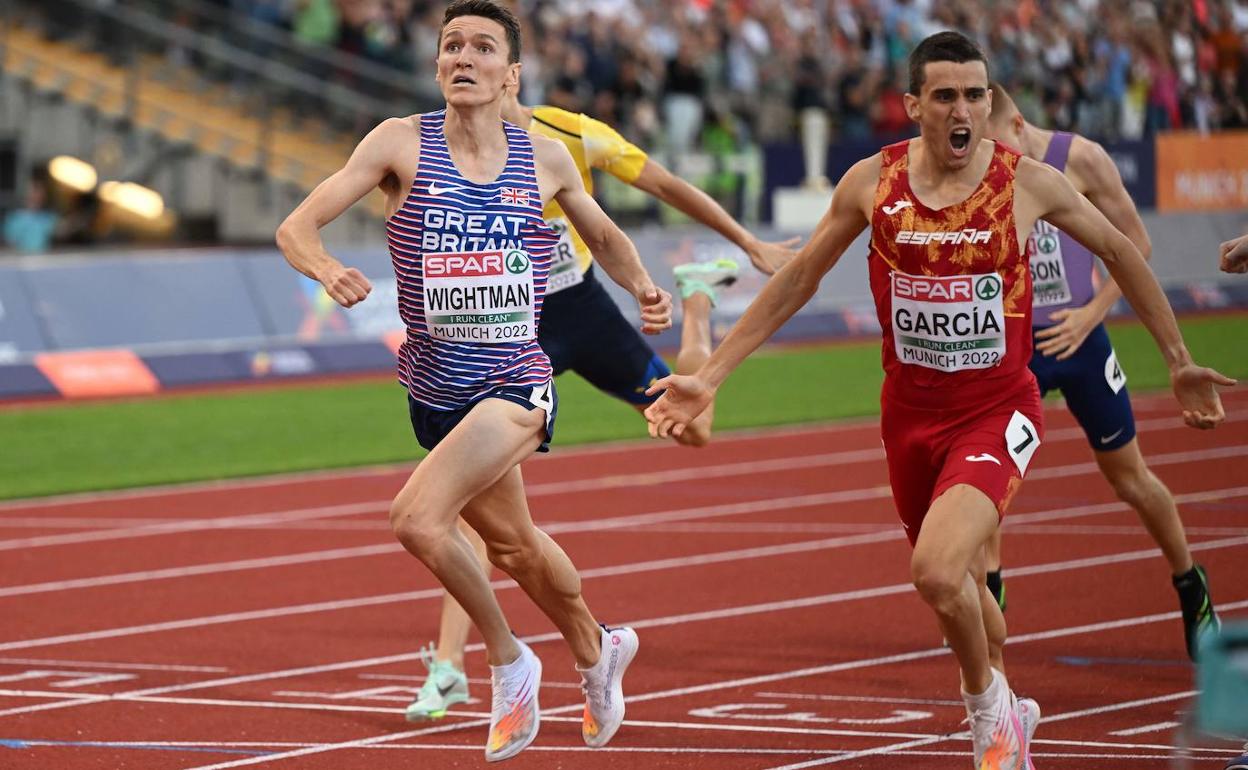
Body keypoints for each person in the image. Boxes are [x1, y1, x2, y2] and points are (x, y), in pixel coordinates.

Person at [644, 31, 1233, 770]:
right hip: (910, 418)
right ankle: (1009, 701)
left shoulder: (1026, 183)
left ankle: (988, 712)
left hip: (999, 409)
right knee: (968, 598)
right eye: (947, 95)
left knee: (933, 571)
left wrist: (1177, 360)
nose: (963, 110)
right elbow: (799, 280)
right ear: (914, 105)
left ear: (990, 105)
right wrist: (713, 375)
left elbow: (1120, 249)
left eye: (976, 95)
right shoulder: (872, 182)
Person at [275, 1, 670, 760]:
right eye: (451, 44)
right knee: (517, 547)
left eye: (482, 47)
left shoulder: (544, 157)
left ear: (510, 74)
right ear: (437, 65)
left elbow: (606, 236)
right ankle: (598, 648)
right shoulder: (399, 143)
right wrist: (326, 268)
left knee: (417, 521)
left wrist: (643, 286)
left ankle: (507, 660)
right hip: (433, 391)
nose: (463, 56)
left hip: (516, 380)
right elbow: (297, 226)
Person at [405, 79, 800, 722]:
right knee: (474, 489)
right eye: (458, 53)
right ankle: (451, 667)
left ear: (512, 75)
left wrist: (745, 241)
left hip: (584, 312)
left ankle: (697, 303)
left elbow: (665, 186)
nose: (473, 75)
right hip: (515, 329)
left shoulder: (571, 136)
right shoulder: (441, 149)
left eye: (489, 58)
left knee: (693, 429)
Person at [983, 82, 1220, 660]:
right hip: (1014, 349)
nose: (991, 167)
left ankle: (1191, 584)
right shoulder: (980, 171)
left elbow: (1134, 242)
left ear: (1016, 128)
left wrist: (1091, 312)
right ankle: (989, 588)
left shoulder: (1080, 159)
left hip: (1083, 342)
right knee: (984, 479)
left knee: (1129, 478)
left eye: (997, 149)